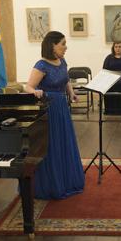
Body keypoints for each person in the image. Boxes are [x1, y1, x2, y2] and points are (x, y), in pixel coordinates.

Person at [25, 31, 85, 200]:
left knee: (63, 142)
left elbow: (66, 80)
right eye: (63, 44)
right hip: (48, 109)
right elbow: (28, 86)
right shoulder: (41, 65)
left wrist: (71, 93)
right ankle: (51, 184)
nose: (66, 47)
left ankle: (66, 180)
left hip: (62, 108)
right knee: (50, 146)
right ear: (53, 45)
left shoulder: (62, 61)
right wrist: (35, 91)